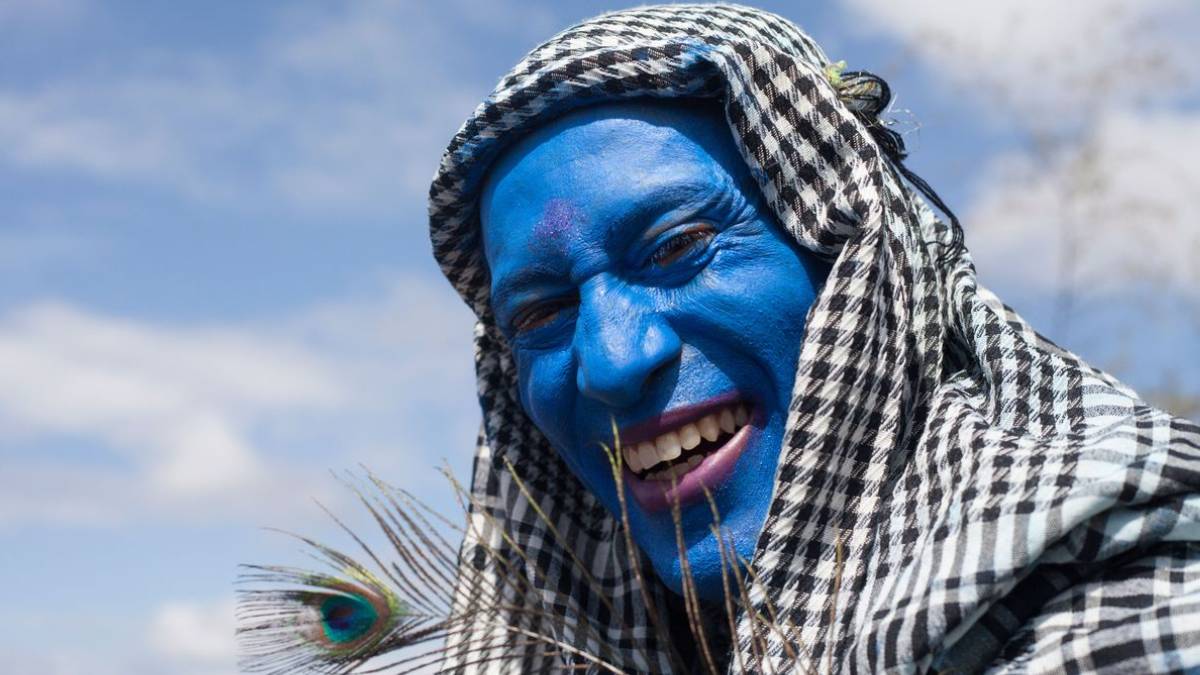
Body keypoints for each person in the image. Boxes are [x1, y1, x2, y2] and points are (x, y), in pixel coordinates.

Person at [425, 4, 1200, 673]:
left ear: (852, 265)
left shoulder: (1126, 612)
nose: (612, 362)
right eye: (539, 315)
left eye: (676, 247)